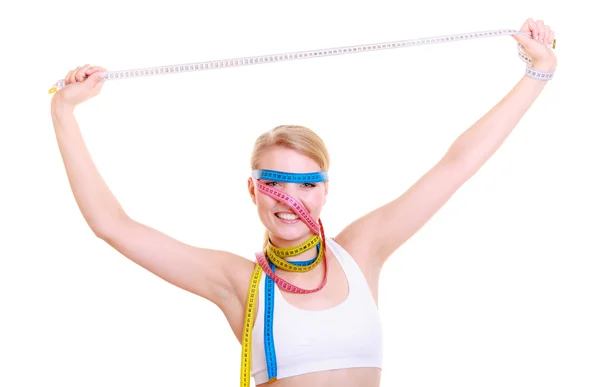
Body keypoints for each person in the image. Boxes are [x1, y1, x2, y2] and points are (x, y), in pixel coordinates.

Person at [49, 18, 556, 387]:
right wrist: (64, 113)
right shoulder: (236, 282)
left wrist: (538, 73)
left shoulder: (361, 252)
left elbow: (456, 165)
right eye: (275, 183)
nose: (289, 199)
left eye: (306, 184)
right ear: (253, 190)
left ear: (325, 191)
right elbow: (112, 225)